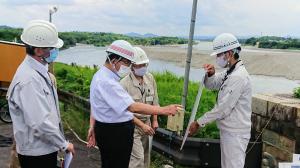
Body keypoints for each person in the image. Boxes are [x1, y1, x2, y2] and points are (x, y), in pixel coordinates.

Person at [87, 40, 181, 168]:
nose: (128, 67)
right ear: (115, 61)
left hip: (112, 130)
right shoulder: (109, 82)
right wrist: (165, 110)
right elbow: (132, 106)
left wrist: (92, 126)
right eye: (127, 63)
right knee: (124, 163)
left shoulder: (101, 76)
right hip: (116, 132)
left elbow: (95, 104)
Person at [6, 20, 75, 168]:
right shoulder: (29, 80)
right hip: (37, 153)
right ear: (38, 50)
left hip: (44, 148)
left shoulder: (38, 72)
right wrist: (63, 144)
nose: (55, 52)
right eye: (52, 48)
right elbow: (40, 122)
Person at [189, 33, 252, 168]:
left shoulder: (238, 76)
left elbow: (223, 109)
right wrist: (211, 74)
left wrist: (199, 123)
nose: (217, 58)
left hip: (236, 134)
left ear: (228, 54)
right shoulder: (230, 72)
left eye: (219, 55)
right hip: (229, 131)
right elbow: (213, 84)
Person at [120, 47, 158, 168]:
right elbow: (124, 111)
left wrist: (155, 120)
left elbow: (155, 101)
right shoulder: (124, 84)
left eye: (145, 64)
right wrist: (142, 125)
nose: (143, 67)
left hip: (147, 123)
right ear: (132, 66)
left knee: (146, 157)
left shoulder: (150, 78)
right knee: (138, 159)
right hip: (132, 125)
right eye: (139, 65)